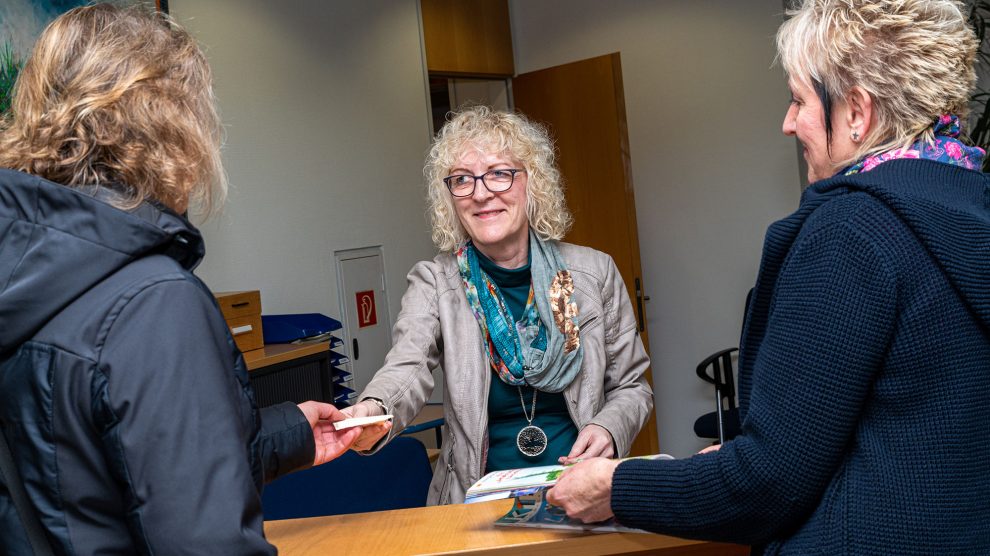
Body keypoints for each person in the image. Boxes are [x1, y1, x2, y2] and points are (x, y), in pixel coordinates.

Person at [547, 0, 990, 553]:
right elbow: (902, 428)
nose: (787, 122)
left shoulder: (851, 230)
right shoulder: (971, 206)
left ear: (856, 112)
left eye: (799, 99)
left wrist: (617, 487)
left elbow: (767, 485)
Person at [0, 5, 371, 553]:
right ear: (172, 122)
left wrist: (290, 433)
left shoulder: (26, 269)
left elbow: (78, 470)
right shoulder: (152, 300)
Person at [341, 105, 654, 505]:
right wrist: (372, 410)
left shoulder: (591, 273)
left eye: (499, 174)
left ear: (532, 183)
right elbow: (407, 365)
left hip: (581, 491)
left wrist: (609, 428)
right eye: (462, 180)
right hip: (478, 502)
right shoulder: (435, 282)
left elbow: (632, 387)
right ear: (450, 197)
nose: (481, 193)